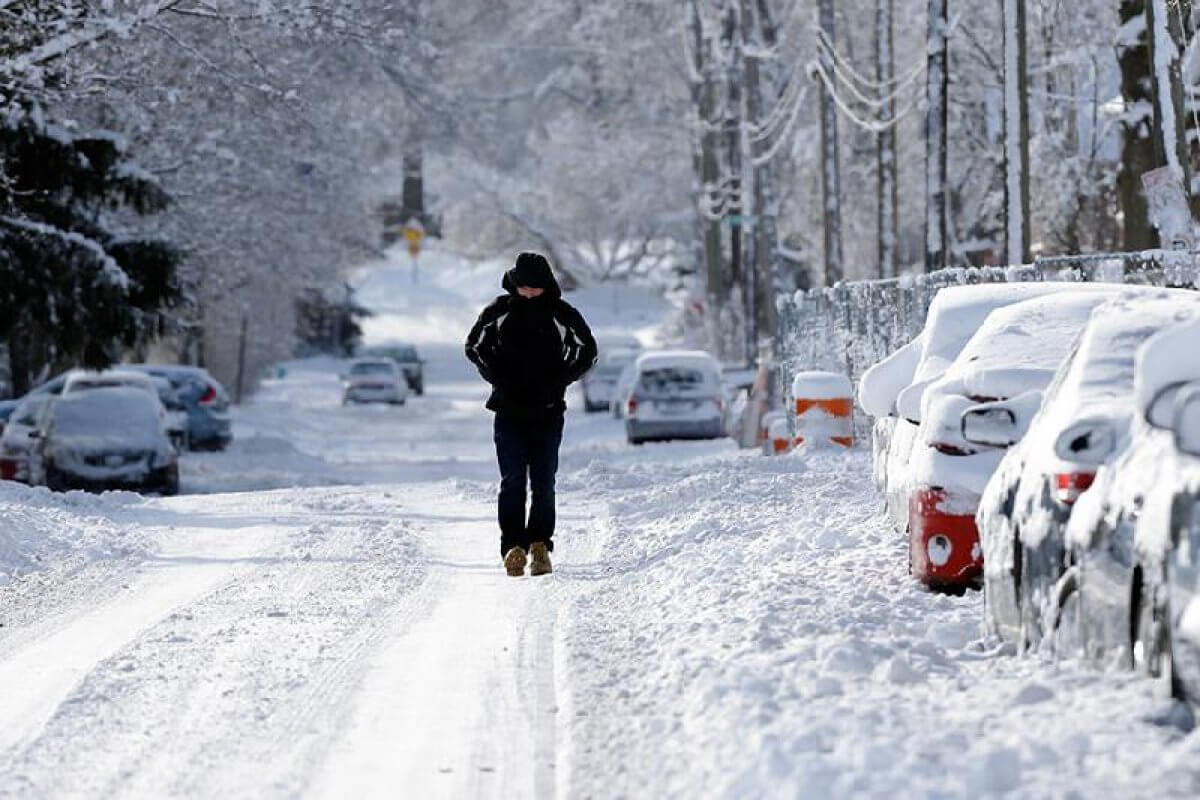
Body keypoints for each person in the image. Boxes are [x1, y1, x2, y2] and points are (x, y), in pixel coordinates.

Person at [464, 251, 597, 577]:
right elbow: (473, 346)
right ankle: (513, 547)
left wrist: (561, 380)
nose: (528, 293)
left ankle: (540, 546)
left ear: (545, 286)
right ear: (515, 283)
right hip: (508, 411)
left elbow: (588, 350)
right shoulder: (499, 312)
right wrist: (495, 375)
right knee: (512, 481)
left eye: (534, 288)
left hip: (548, 412)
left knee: (543, 482)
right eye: (523, 287)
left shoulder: (561, 314)